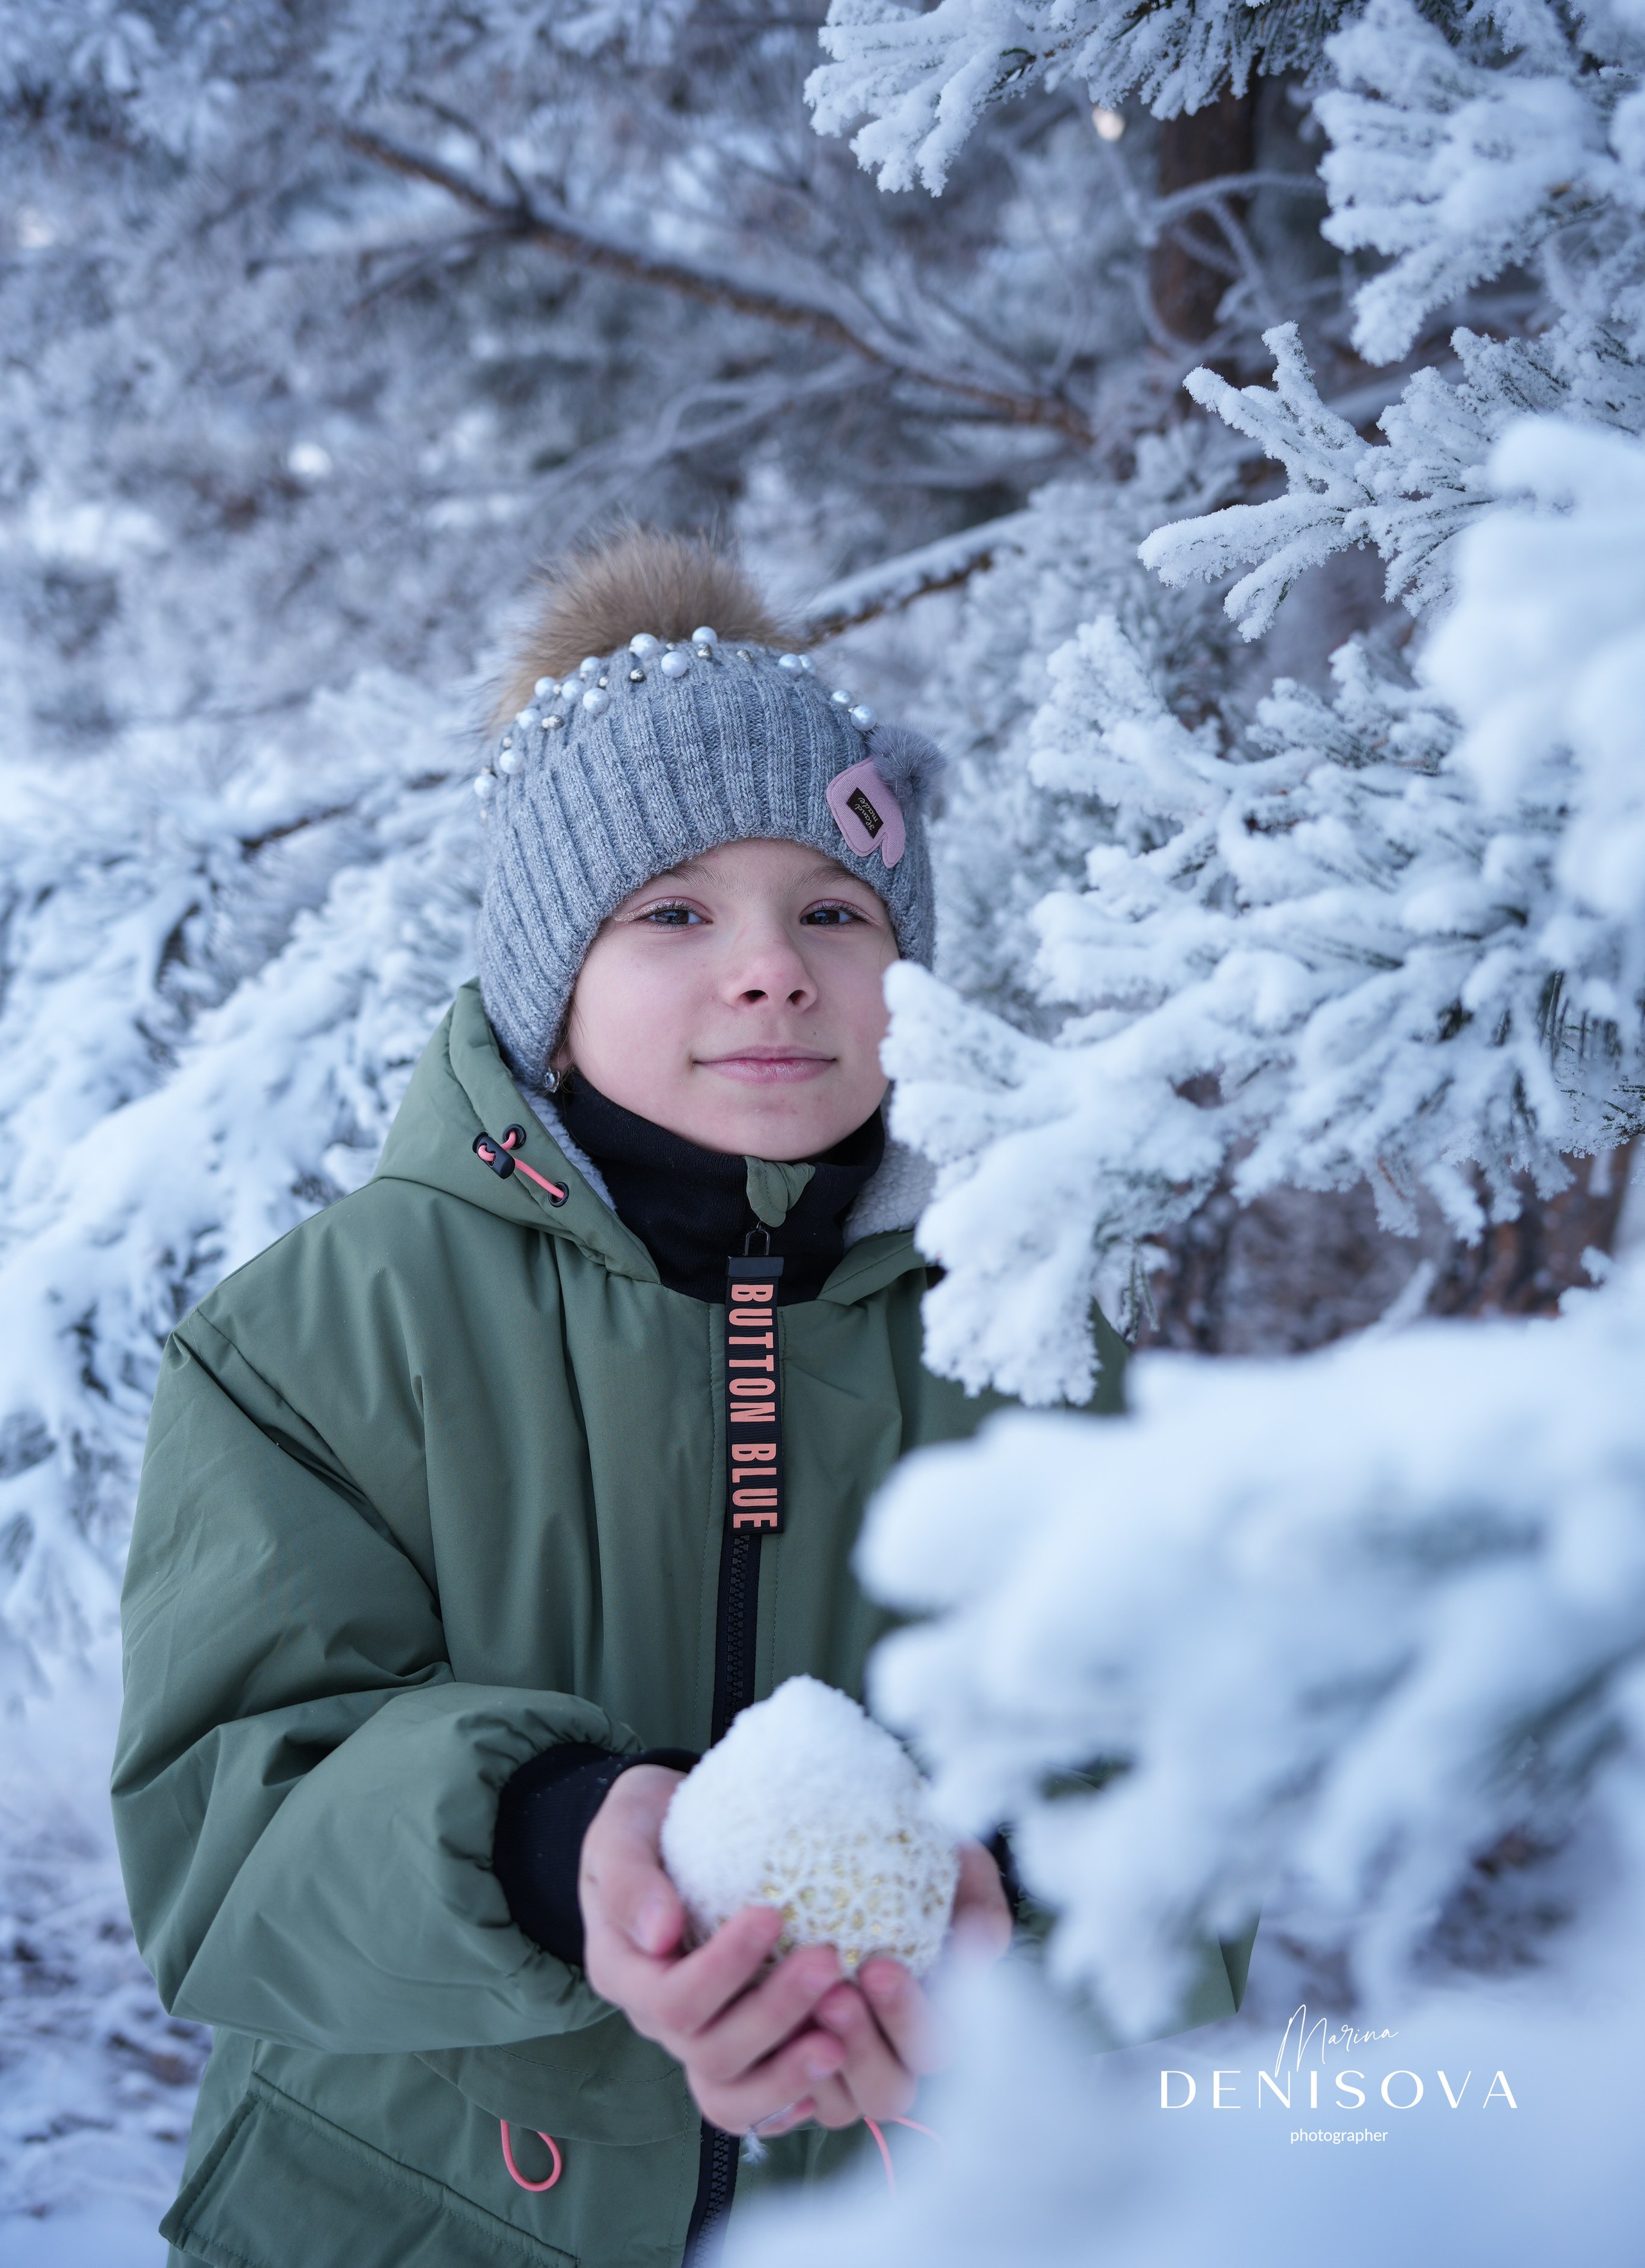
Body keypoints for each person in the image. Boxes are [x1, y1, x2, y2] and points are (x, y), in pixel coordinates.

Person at [111, 531, 1140, 2268]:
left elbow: (1183, 1766)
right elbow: (232, 1824)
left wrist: (1016, 1892)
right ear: (550, 996)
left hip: (905, 2208)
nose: (771, 967)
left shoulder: (1027, 1330)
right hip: (413, 2214)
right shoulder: (323, 1335)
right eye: (671, 912)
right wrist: (550, 1845)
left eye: (835, 907)